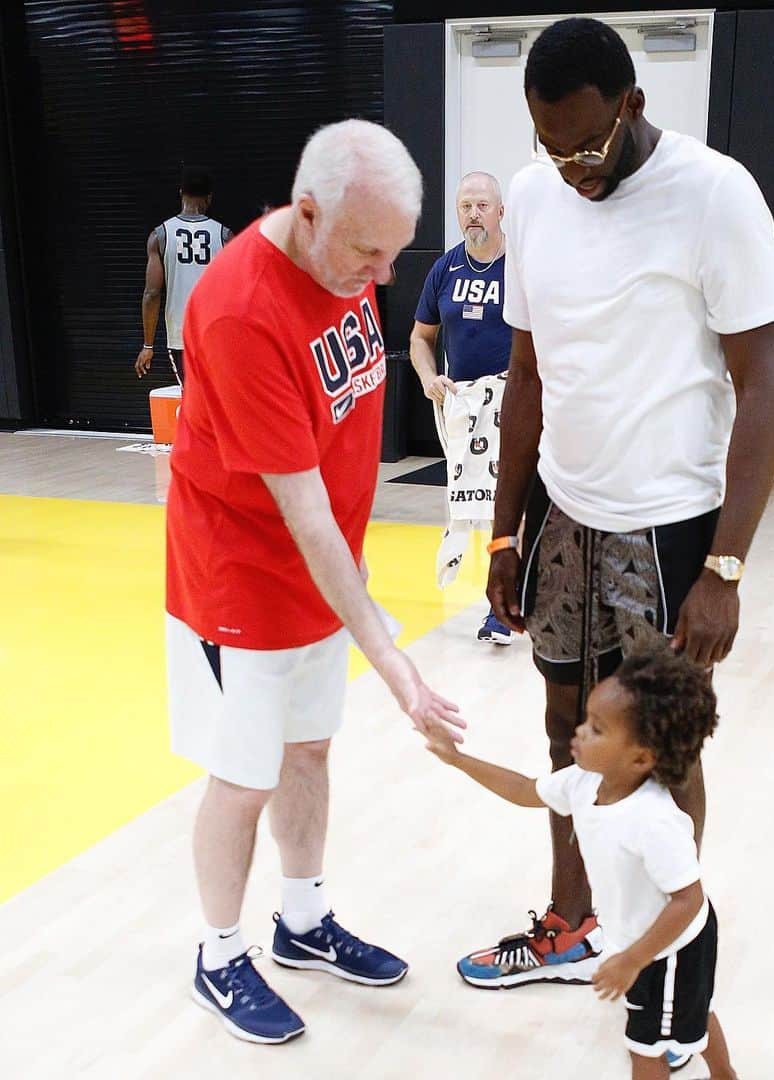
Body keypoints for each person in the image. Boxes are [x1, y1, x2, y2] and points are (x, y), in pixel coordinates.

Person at [464, 14, 774, 1013]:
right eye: (549, 145)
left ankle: (668, 943)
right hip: (566, 511)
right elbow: (525, 373)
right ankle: (571, 925)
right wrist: (507, 527)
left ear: (632, 107)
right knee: (569, 727)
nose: (570, 167)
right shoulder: (532, 195)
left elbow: (767, 377)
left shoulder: (713, 196)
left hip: (673, 521)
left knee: (658, 746)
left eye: (587, 145)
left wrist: (726, 567)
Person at [165, 119, 464, 1045]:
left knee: (308, 756)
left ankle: (301, 923)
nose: (383, 277)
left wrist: (360, 580)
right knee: (244, 778)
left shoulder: (344, 262)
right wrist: (394, 656)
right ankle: (220, 955)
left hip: (324, 583)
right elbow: (299, 511)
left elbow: (350, 435)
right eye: (370, 253)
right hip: (240, 584)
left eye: (395, 254)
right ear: (306, 212)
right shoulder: (241, 309)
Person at [426, 644, 737, 1080]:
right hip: (643, 943)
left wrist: (634, 960)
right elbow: (523, 790)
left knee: (645, 1049)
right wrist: (458, 760)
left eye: (597, 729)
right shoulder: (584, 781)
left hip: (672, 947)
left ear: (641, 757)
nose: (580, 733)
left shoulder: (656, 819)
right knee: (694, 1015)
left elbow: (687, 901)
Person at [409, 171, 514, 646]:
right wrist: (430, 378)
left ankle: (501, 607)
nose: (473, 214)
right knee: (475, 505)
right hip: (462, 407)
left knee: (506, 507)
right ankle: (509, 597)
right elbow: (419, 339)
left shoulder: (522, 266)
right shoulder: (445, 270)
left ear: (500, 211)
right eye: (465, 206)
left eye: (482, 205)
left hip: (516, 404)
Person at [134, 165, 231, 384]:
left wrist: (148, 345)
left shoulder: (160, 235)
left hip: (181, 334)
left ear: (181, 192)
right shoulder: (224, 235)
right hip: (217, 335)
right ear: (209, 197)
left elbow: (151, 294)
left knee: (193, 402)